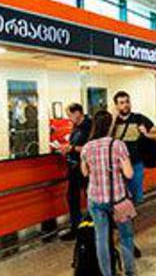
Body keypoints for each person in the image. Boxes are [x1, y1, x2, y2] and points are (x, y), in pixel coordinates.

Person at [81, 111, 135, 276]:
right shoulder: (117, 145)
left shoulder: (87, 147)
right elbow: (129, 174)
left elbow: (85, 172)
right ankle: (129, 271)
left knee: (101, 238)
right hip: (117, 199)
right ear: (110, 125)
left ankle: (107, 274)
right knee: (126, 236)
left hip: (95, 200)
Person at [112, 91, 156, 205]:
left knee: (136, 197)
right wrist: (113, 119)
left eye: (127, 102)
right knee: (120, 198)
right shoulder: (113, 122)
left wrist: (147, 134)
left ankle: (133, 219)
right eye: (122, 103)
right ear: (116, 105)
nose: (125, 105)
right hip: (117, 166)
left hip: (136, 163)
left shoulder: (139, 118)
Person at [59, 103, 92, 241]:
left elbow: (89, 147)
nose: (68, 118)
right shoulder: (76, 127)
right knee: (72, 198)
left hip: (85, 168)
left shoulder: (89, 126)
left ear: (77, 113)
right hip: (73, 168)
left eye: (69, 115)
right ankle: (76, 227)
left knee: (90, 197)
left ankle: (90, 227)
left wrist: (71, 148)